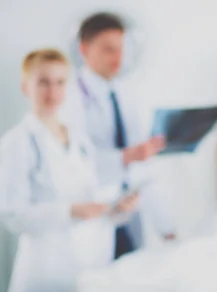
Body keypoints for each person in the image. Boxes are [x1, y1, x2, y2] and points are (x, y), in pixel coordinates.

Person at [0, 48, 138, 292]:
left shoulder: (79, 139)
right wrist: (70, 211)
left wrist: (116, 209)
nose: (52, 91)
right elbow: (12, 214)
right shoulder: (18, 141)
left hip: (89, 266)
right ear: (26, 86)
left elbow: (90, 197)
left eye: (60, 82)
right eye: (43, 82)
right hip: (45, 271)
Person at [61, 12, 176, 260]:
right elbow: (71, 165)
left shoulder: (126, 94)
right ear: (84, 49)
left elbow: (144, 168)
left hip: (131, 213)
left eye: (121, 49)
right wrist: (125, 157)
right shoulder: (68, 99)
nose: (118, 58)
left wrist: (167, 229)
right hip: (92, 217)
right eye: (108, 50)